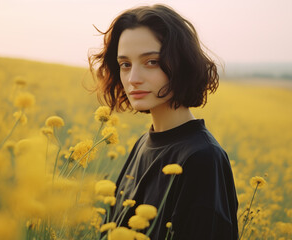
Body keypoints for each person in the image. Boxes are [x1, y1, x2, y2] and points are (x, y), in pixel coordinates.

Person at [89, 4, 238, 240]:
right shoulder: (143, 144)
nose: (133, 79)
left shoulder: (203, 158)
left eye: (151, 62)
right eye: (125, 65)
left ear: (181, 63)